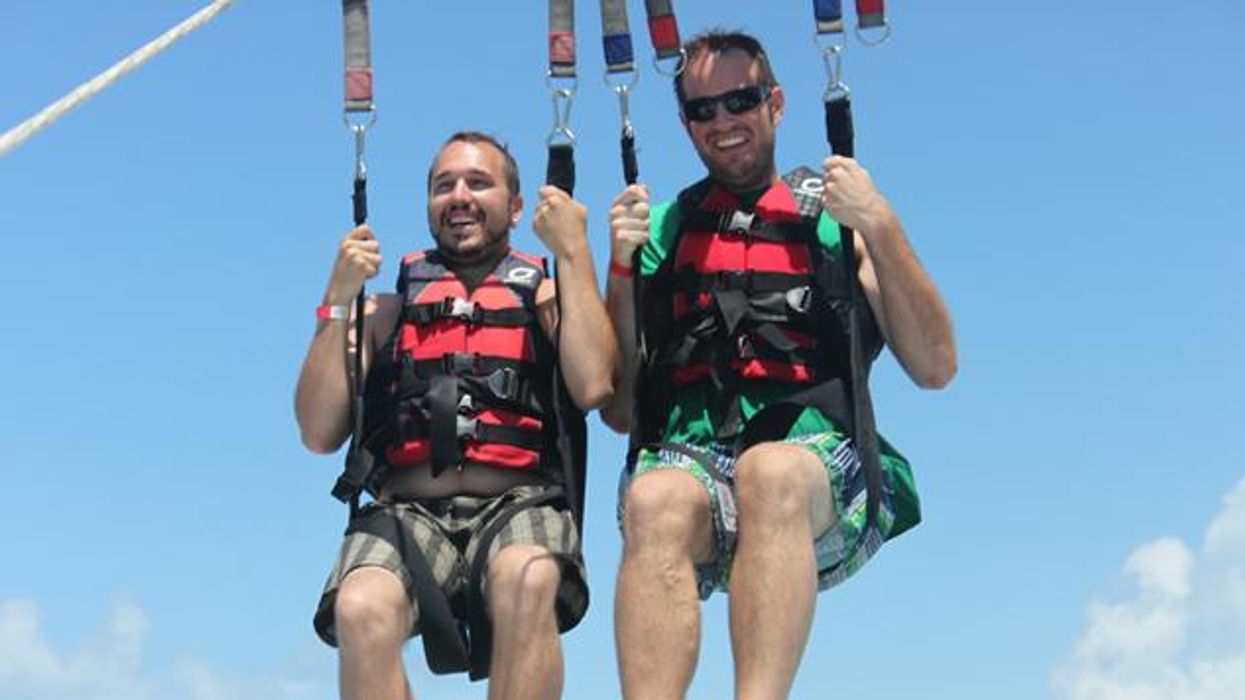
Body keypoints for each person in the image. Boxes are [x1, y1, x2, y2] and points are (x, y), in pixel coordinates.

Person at [601, 30, 957, 700]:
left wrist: (879, 224)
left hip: (819, 470)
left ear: (775, 103)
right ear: (685, 124)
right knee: (652, 497)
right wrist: (619, 270)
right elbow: (620, 410)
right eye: (703, 110)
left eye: (739, 100)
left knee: (769, 471)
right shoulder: (666, 231)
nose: (723, 121)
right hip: (693, 463)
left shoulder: (833, 217)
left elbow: (936, 365)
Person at [296, 131, 616, 700]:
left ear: (516, 208)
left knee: (528, 576)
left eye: (478, 183)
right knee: (360, 606)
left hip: (519, 504)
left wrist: (573, 253)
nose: (460, 196)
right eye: (444, 186)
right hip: (407, 511)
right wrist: (337, 297)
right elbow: (318, 431)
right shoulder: (387, 310)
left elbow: (594, 385)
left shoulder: (542, 296)